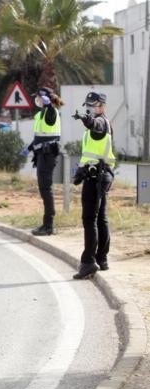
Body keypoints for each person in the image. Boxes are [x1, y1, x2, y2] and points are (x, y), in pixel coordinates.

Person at [71, 91, 114, 280]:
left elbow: (95, 124)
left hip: (97, 177)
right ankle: (101, 259)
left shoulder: (101, 122)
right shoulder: (97, 126)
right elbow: (90, 154)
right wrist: (80, 171)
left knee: (89, 219)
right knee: (101, 218)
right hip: (99, 175)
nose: (89, 108)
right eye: (87, 105)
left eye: (93, 105)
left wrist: (86, 120)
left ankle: (88, 262)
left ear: (102, 105)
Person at [29, 87, 64, 236]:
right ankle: (46, 223)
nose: (35, 100)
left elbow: (50, 116)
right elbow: (40, 135)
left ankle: (48, 225)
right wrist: (30, 147)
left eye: (37, 97)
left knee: (46, 189)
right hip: (42, 154)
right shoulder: (41, 114)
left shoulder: (51, 112)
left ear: (43, 98)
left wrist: (48, 104)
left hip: (48, 155)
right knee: (44, 189)